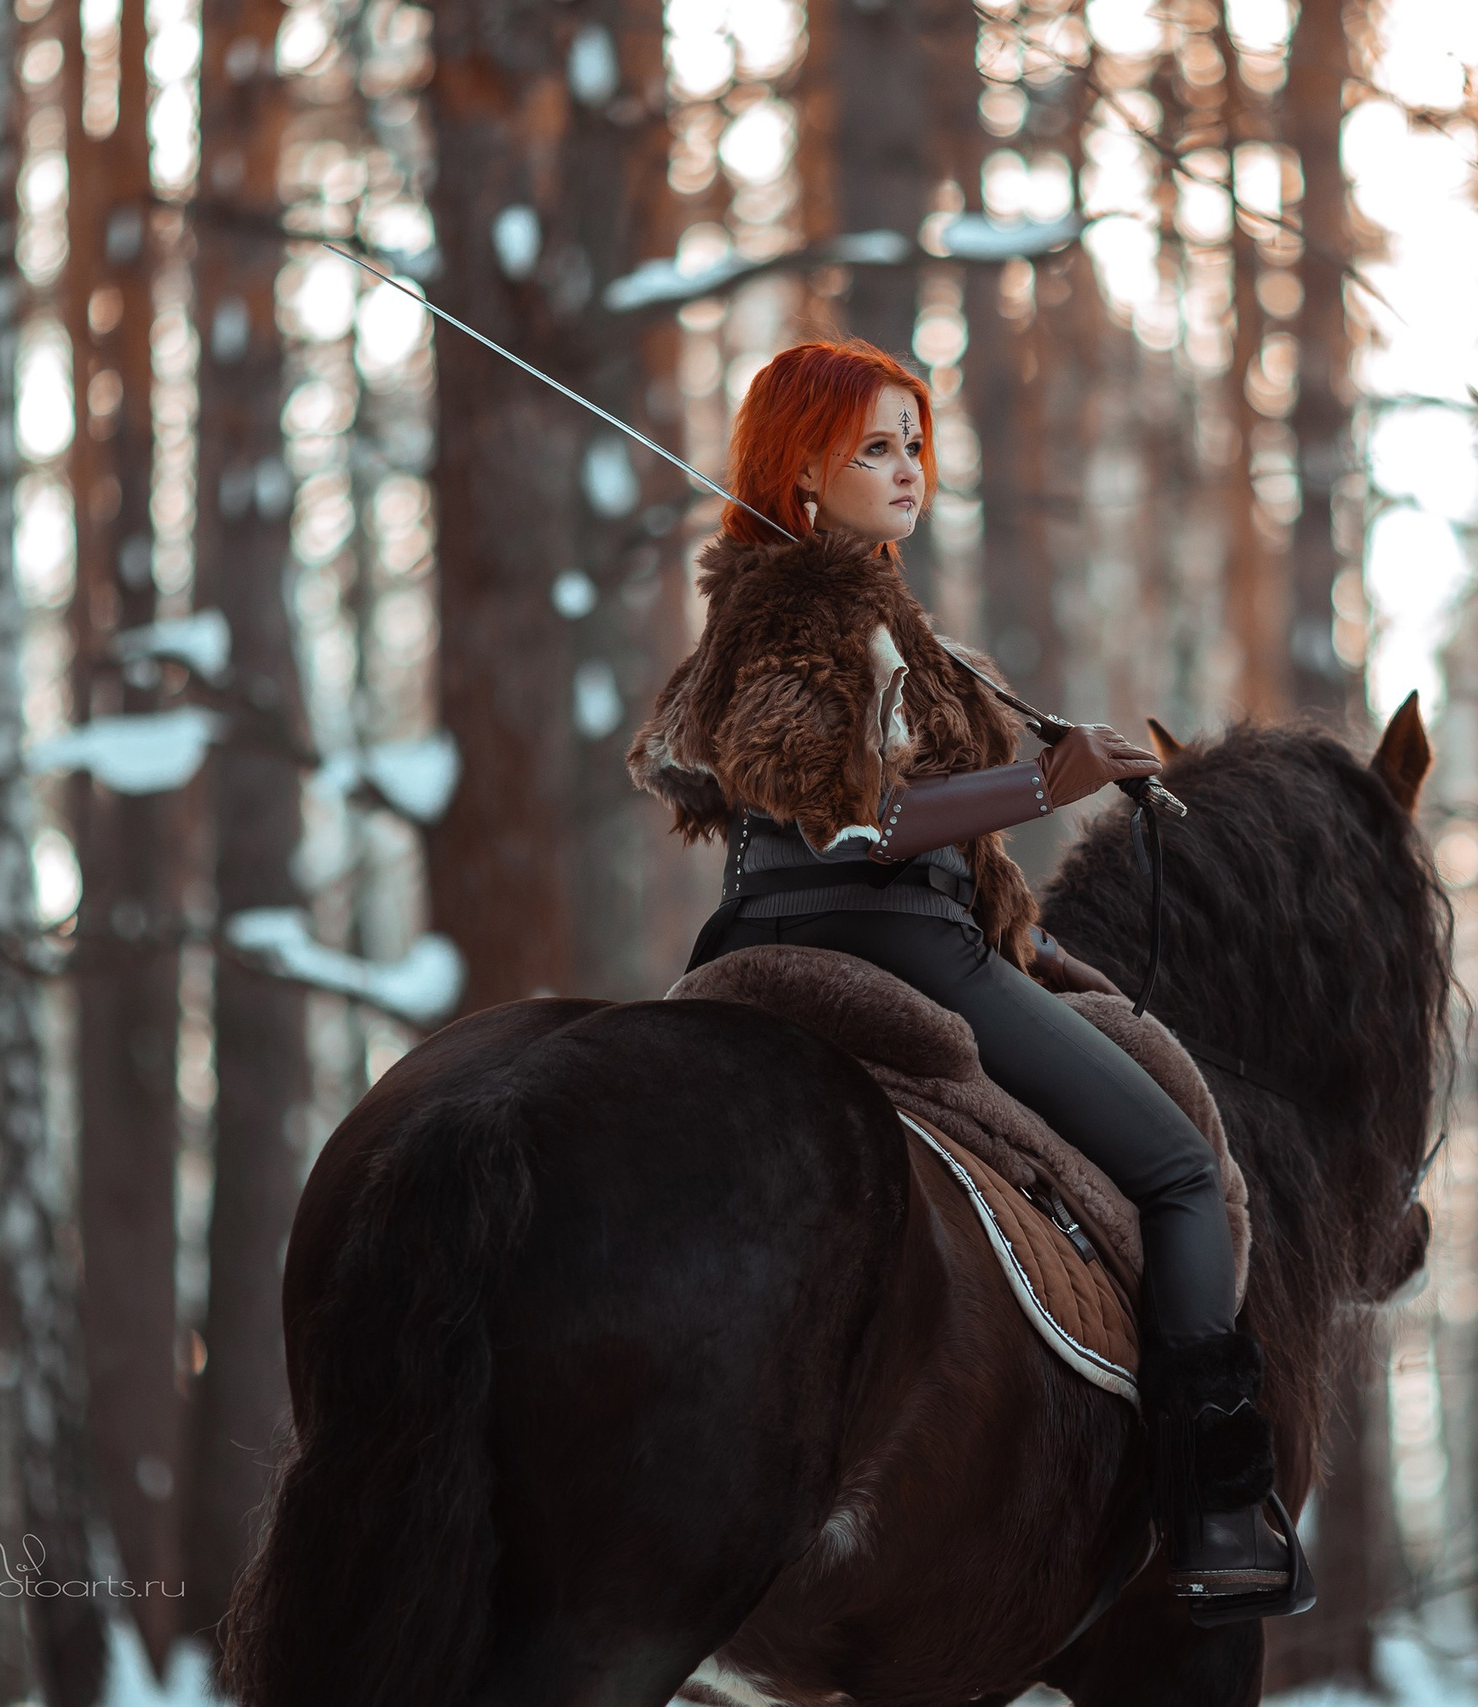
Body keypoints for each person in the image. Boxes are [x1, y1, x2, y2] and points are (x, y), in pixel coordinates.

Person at [625, 337, 1308, 1622]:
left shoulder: (853, 619)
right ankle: (1214, 1505)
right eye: (874, 448)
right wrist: (1047, 783)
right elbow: (856, 824)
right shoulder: (798, 618)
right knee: (1175, 1170)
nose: (908, 470)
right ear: (802, 473)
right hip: (892, 946)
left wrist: (1035, 801)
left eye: (916, 445)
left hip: (798, 936)